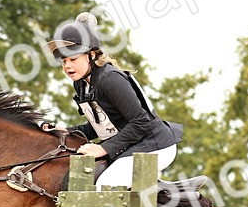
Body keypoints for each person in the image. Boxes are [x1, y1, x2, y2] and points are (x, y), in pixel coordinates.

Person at [44, 12, 183, 189]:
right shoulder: (81, 84)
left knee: (105, 185)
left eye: (73, 59)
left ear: (92, 55)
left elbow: (141, 121)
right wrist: (66, 131)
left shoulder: (110, 79)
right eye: (64, 61)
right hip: (132, 144)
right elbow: (103, 125)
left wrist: (104, 149)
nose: (67, 66)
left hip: (154, 145)